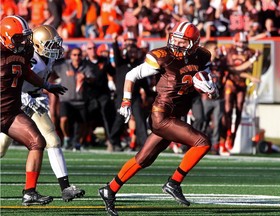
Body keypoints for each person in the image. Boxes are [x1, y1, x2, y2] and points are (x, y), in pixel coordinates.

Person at [98, 21, 218, 216]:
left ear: (194, 44)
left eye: (182, 42)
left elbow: (206, 75)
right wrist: (126, 101)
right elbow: (131, 74)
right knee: (202, 142)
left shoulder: (202, 55)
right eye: (175, 40)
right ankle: (174, 182)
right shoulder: (163, 57)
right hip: (161, 115)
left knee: (143, 159)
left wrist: (210, 87)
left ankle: (109, 189)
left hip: (173, 115)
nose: (176, 45)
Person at [0, 24, 85, 201]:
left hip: (29, 102)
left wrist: (47, 87)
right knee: (1, 148)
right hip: (18, 102)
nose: (54, 49)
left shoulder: (42, 56)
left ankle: (63, 187)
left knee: (49, 140)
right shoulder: (26, 56)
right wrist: (25, 96)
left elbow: (33, 76)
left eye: (55, 45)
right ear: (38, 44)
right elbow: (15, 80)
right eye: (50, 45)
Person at [222, 32, 261, 154]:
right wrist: (251, 65)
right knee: (227, 109)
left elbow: (256, 58)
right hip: (230, 82)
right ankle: (227, 133)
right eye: (240, 42)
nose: (242, 44)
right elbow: (233, 69)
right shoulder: (229, 51)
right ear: (235, 41)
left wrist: (254, 59)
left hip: (242, 84)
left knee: (239, 109)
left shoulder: (250, 52)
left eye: (244, 42)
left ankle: (233, 134)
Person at [51, 47, 96, 150]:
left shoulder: (86, 67)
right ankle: (66, 138)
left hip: (81, 100)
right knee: (63, 119)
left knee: (83, 123)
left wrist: (86, 77)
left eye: (79, 55)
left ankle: (78, 141)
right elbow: (50, 70)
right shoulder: (63, 66)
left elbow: (93, 78)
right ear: (70, 56)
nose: (77, 57)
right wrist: (50, 84)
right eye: (74, 55)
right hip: (66, 99)